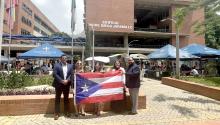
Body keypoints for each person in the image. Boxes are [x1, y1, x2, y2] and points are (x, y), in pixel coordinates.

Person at [52, 54, 73, 120]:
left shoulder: (70, 65)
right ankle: (56, 113)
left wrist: (67, 80)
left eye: (65, 58)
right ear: (60, 59)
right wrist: (61, 81)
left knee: (66, 98)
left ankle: (67, 111)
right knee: (57, 98)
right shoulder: (56, 65)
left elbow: (71, 74)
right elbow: (54, 74)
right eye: (63, 58)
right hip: (58, 84)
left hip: (66, 84)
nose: (64, 59)